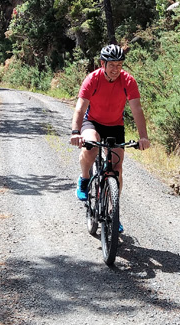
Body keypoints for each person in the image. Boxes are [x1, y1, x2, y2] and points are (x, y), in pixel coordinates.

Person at [69, 44, 150, 232]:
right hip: (93, 122)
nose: (116, 69)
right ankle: (84, 178)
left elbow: (137, 109)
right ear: (102, 63)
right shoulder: (92, 79)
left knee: (116, 166)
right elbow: (80, 108)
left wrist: (143, 137)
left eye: (120, 65)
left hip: (115, 125)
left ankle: (114, 214)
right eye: (112, 65)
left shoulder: (128, 81)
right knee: (91, 145)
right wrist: (75, 132)